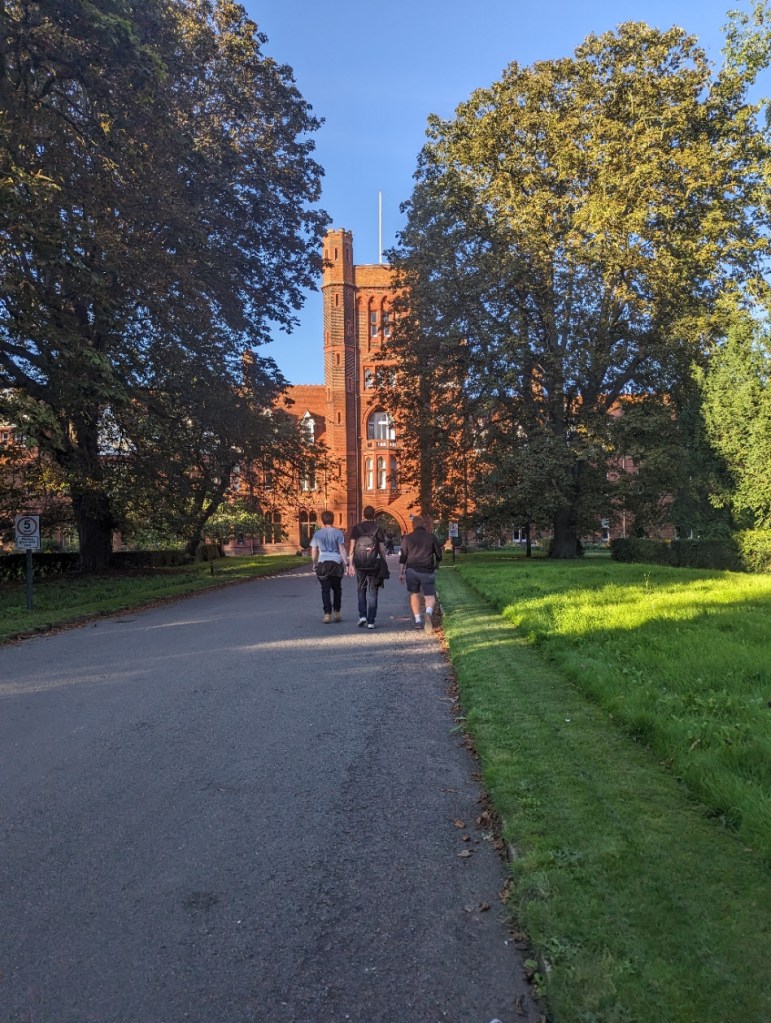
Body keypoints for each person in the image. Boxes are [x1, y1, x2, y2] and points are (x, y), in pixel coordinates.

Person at [398, 515, 443, 634]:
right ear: (423, 524)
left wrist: (401, 573)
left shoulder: (407, 538)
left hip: (412, 570)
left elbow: (403, 557)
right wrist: (437, 564)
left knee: (414, 594)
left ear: (413, 525)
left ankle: (418, 620)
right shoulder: (431, 537)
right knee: (430, 596)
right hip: (427, 570)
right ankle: (428, 613)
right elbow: (439, 555)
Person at [347, 505, 387, 630]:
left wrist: (351, 564)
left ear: (363, 515)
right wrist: (384, 562)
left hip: (360, 564)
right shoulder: (377, 529)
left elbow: (352, 548)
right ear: (374, 515)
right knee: (373, 592)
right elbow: (382, 549)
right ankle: (371, 621)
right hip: (374, 564)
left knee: (361, 589)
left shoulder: (356, 528)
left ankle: (362, 616)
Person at [309, 510, 348, 623]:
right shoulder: (338, 533)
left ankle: (327, 614)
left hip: (323, 563)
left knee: (325, 590)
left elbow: (314, 550)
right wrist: (346, 563)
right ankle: (337, 612)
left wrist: (314, 563)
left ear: (322, 520)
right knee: (337, 589)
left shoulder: (317, 534)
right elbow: (341, 549)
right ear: (333, 519)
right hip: (336, 563)